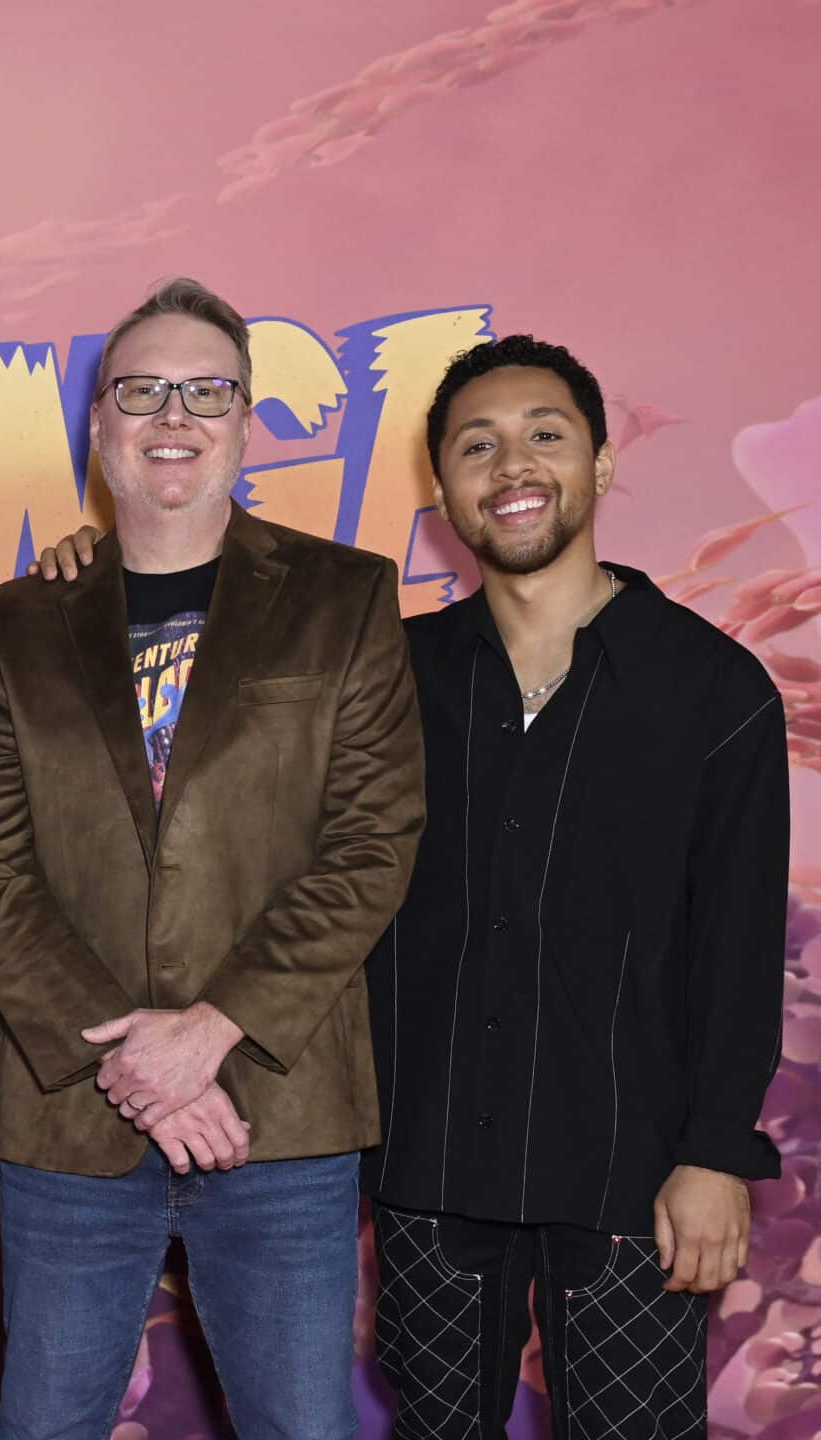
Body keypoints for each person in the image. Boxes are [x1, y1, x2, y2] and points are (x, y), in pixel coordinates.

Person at [0, 276, 424, 1440]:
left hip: (278, 1110)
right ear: (98, 426)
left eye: (205, 388)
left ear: (246, 421)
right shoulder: (12, 623)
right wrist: (125, 1060)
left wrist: (210, 1029)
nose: (173, 413)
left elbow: (372, 838)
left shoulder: (343, 595)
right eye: (141, 389)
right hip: (70, 1122)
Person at [364, 335, 787, 1438]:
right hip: (429, 1167)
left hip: (633, 1178)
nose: (511, 467)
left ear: (598, 465)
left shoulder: (710, 689)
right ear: (444, 490)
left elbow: (737, 948)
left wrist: (709, 1154)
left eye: (543, 436)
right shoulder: (389, 683)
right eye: (476, 446)